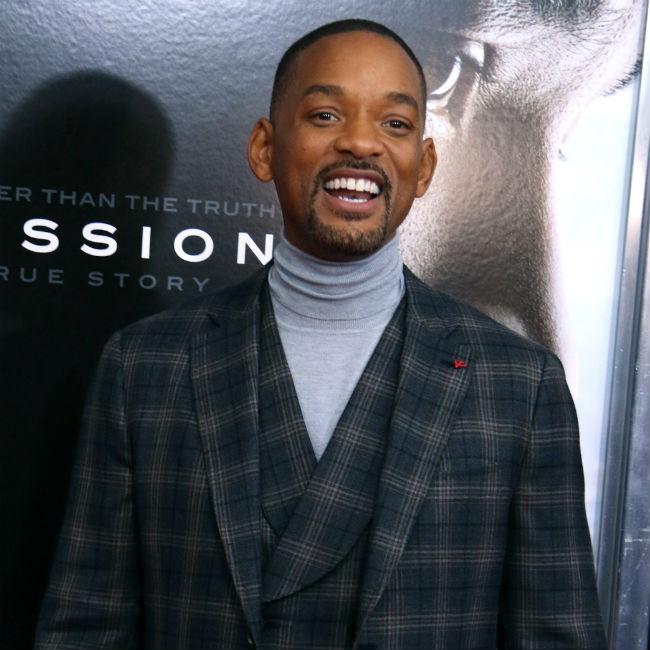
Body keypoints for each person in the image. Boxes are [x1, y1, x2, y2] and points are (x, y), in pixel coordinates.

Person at [34, 19, 606, 649]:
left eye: (395, 123)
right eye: (326, 115)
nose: (360, 142)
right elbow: (86, 627)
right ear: (264, 148)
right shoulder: (146, 366)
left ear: (423, 166)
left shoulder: (520, 384)